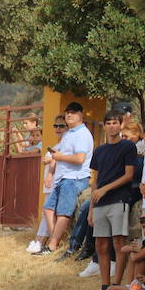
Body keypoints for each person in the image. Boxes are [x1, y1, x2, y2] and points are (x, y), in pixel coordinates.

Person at [85, 112, 138, 290]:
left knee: (119, 243)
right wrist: (91, 207)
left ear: (121, 124)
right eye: (108, 123)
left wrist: (106, 188)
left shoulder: (127, 146)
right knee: (101, 245)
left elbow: (129, 175)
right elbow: (95, 181)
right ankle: (105, 288)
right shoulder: (99, 151)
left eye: (115, 123)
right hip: (100, 203)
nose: (112, 126)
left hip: (118, 199)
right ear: (104, 126)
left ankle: (117, 286)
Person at [41, 102, 95, 259]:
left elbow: (80, 158)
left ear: (81, 115)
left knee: (64, 212)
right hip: (64, 178)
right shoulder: (69, 133)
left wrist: (58, 156)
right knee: (48, 208)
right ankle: (56, 241)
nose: (69, 115)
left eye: (72, 112)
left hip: (74, 178)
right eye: (67, 112)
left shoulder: (82, 134)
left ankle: (52, 245)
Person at [28, 116, 67, 254]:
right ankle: (41, 241)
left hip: (56, 183)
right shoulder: (57, 145)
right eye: (55, 126)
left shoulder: (65, 145)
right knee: (47, 213)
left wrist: (50, 172)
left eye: (61, 126)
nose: (58, 128)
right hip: (50, 185)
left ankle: (49, 241)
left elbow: (56, 160)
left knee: (49, 212)